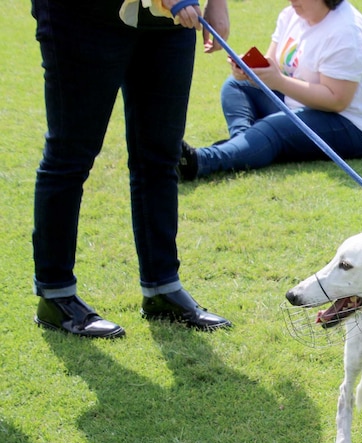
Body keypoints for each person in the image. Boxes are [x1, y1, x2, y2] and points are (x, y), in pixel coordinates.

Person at [31, 0, 233, 338]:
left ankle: (162, 288)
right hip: (84, 16)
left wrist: (218, 3)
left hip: (166, 22)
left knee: (160, 156)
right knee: (70, 156)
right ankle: (55, 295)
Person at [178, 0, 362, 181]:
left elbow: (336, 100)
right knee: (235, 87)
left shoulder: (347, 31)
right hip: (300, 103)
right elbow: (274, 66)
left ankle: (200, 161)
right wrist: (251, 71)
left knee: (273, 128)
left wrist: (278, 81)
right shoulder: (291, 15)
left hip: (354, 124)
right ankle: (243, 146)